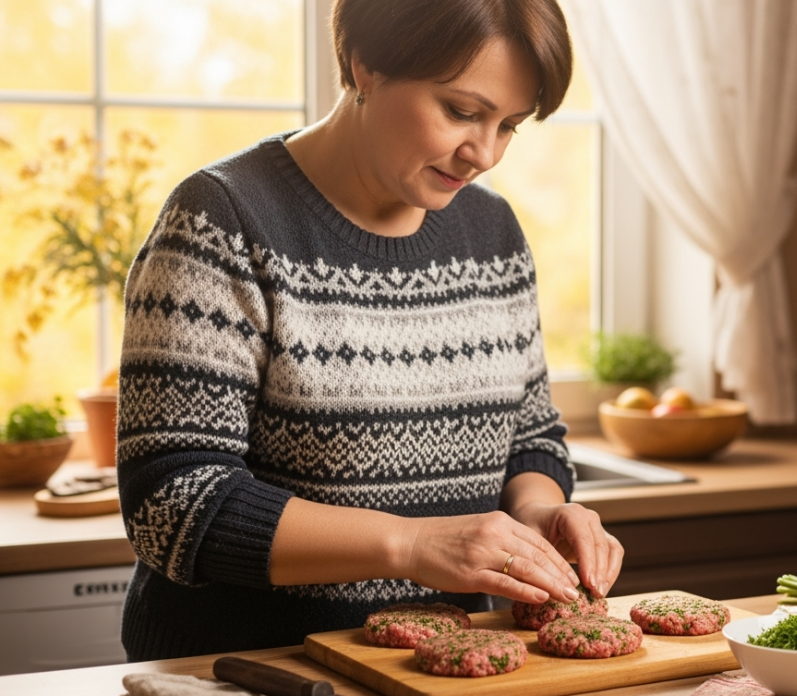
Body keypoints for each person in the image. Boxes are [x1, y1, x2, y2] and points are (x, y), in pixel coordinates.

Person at [116, 0, 622, 661]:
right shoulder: (224, 219)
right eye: (462, 112)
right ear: (366, 66)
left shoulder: (491, 233)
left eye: (510, 126)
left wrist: (537, 514)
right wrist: (412, 546)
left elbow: (527, 436)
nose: (485, 153)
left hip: (440, 671)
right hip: (252, 670)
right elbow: (172, 503)